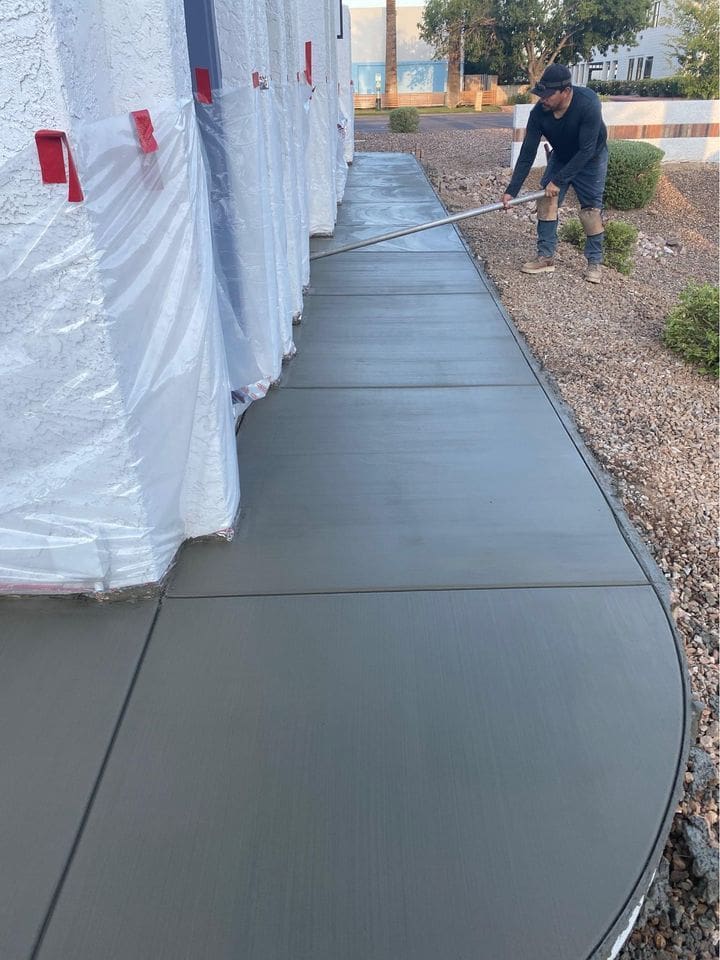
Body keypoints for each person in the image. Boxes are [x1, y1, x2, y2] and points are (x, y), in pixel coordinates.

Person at [501, 63, 608, 284]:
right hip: (562, 155)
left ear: (566, 91)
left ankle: (594, 262)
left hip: (591, 157)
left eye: (549, 95)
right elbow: (527, 153)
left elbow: (587, 149)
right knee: (546, 200)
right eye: (542, 94)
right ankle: (545, 257)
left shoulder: (588, 104)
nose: (543, 99)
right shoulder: (539, 113)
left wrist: (558, 180)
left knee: (590, 210)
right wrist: (512, 190)